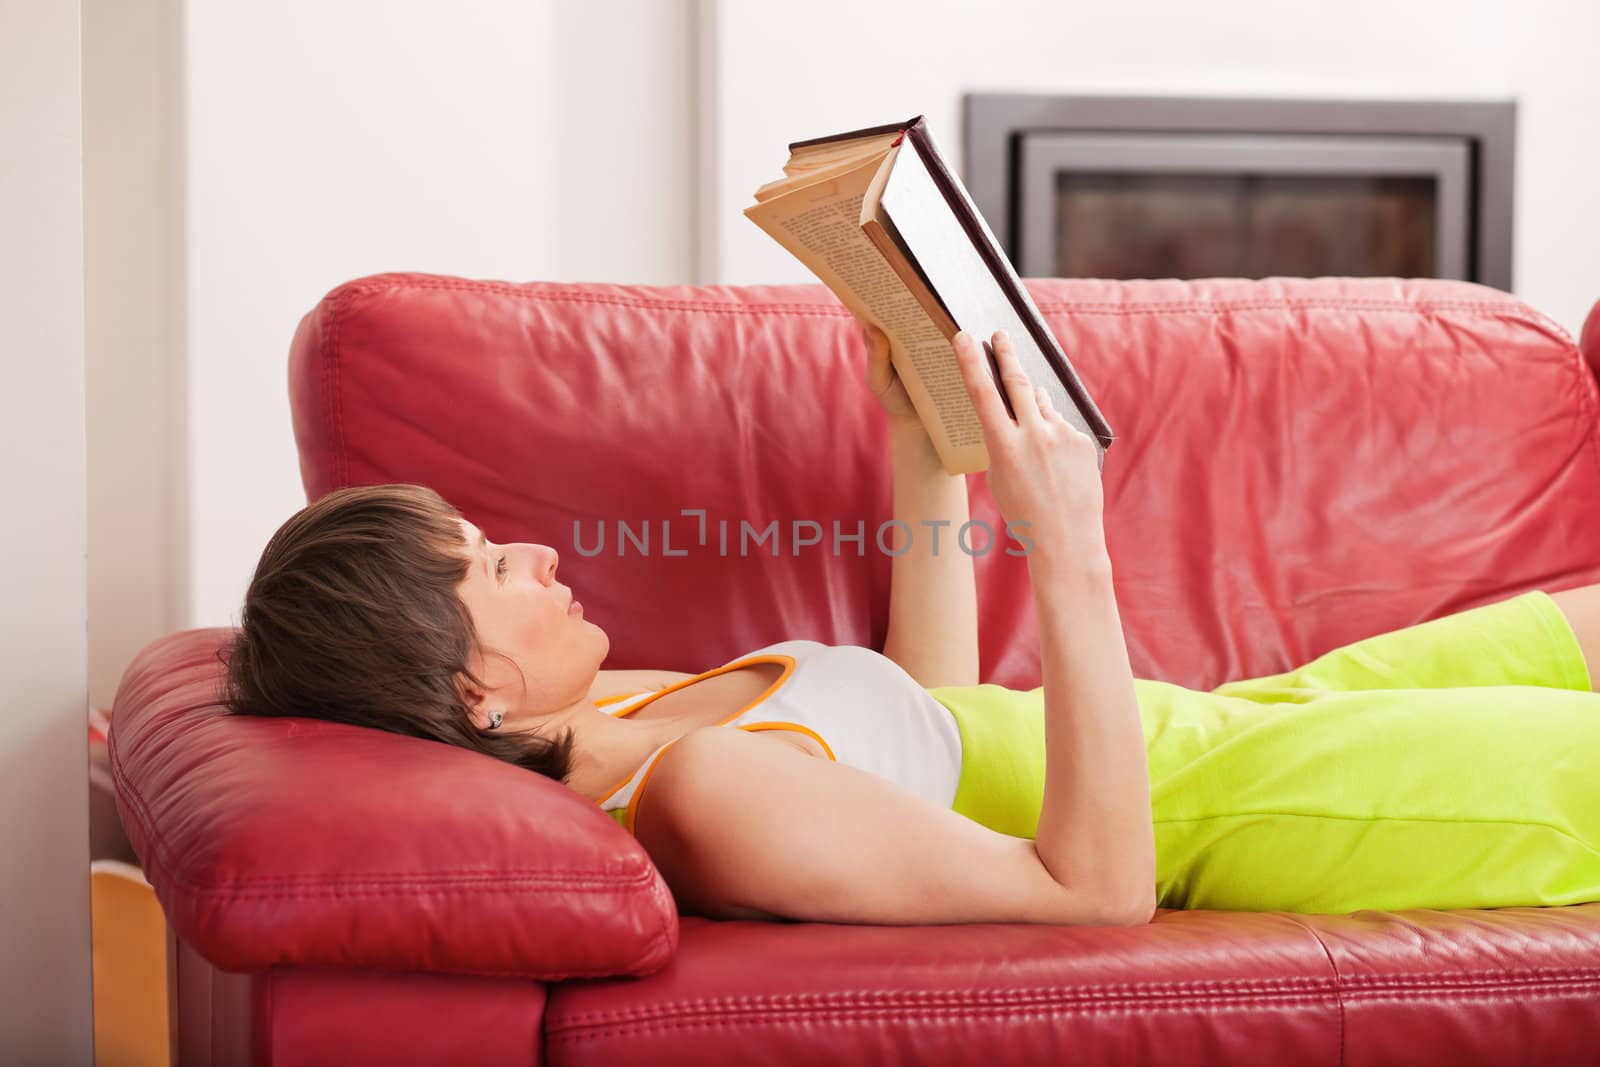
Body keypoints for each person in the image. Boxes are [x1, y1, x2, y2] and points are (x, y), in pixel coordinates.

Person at [222, 323, 1600, 927]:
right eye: (483, 572)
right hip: (1239, 799)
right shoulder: (701, 794)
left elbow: (919, 726)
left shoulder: (619, 711)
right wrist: (1069, 550)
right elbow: (1095, 894)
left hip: (1243, 713)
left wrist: (917, 449)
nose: (528, 551)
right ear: (464, 696)